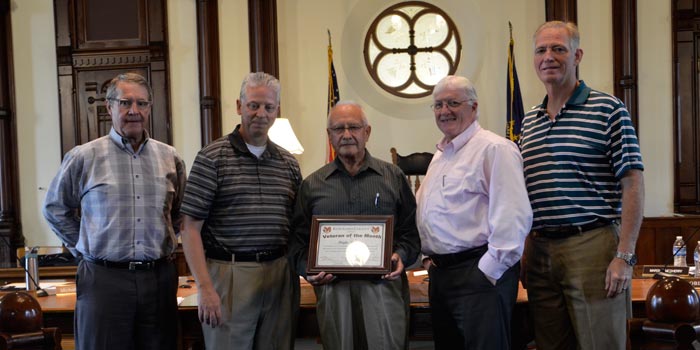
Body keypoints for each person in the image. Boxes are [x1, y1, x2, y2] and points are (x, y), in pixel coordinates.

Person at [520, 21, 645, 349]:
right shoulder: (529, 121)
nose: (549, 56)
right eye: (541, 50)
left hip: (591, 246)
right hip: (540, 250)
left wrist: (625, 256)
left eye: (558, 48)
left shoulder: (608, 109)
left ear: (577, 55)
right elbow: (528, 193)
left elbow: (633, 182)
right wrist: (525, 251)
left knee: (600, 344)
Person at [43, 72, 186, 350]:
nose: (134, 111)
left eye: (141, 104)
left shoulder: (170, 157)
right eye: (125, 103)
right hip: (104, 280)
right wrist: (83, 246)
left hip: (158, 279)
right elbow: (55, 208)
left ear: (150, 107)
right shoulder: (84, 157)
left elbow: (180, 213)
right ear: (109, 108)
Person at [179, 72, 302, 349]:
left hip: (280, 275)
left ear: (276, 111)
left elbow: (298, 224)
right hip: (230, 275)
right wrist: (205, 287)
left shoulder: (288, 163)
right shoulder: (212, 158)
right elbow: (189, 228)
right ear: (239, 106)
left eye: (269, 107)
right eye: (253, 105)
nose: (261, 113)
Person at [289, 101, 420, 350]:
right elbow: (297, 241)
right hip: (332, 289)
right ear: (329, 136)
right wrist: (309, 269)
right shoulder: (312, 185)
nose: (347, 134)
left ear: (367, 132)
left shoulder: (392, 177)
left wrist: (399, 255)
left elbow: (410, 233)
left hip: (383, 286)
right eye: (338, 129)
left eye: (354, 127)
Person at [414, 75, 533, 350]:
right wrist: (428, 261)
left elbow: (513, 216)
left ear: (474, 107)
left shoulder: (494, 149)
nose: (445, 111)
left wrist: (488, 271)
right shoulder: (442, 155)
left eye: (453, 103)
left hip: (478, 274)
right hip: (442, 275)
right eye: (438, 105)